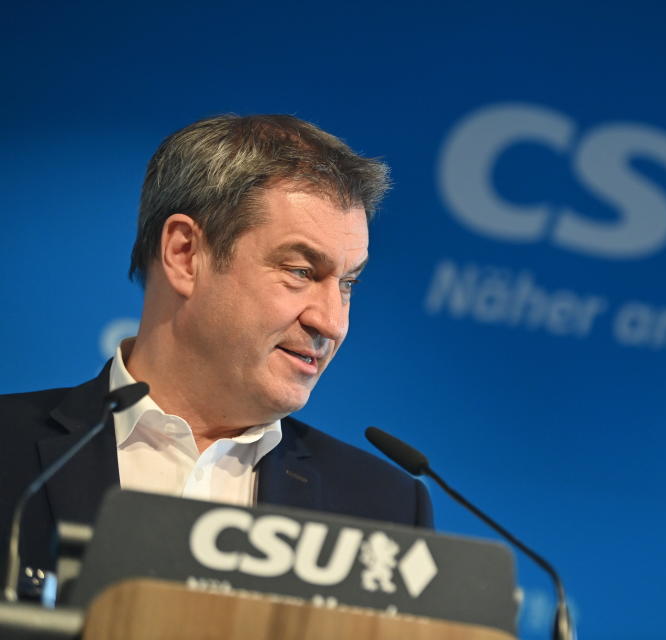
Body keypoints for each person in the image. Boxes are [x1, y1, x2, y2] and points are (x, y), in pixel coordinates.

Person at [0, 114, 432, 591]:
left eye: (347, 283)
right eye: (301, 271)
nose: (332, 322)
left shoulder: (383, 510)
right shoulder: (10, 448)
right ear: (185, 254)